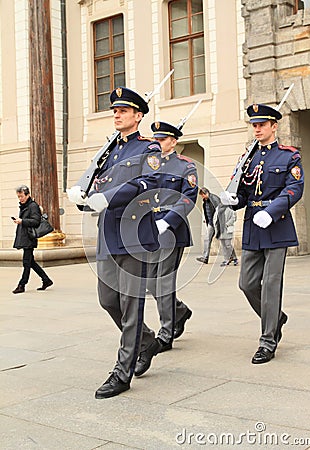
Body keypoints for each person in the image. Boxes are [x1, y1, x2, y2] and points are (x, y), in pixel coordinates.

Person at [67, 87, 163, 399]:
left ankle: (122, 372)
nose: (117, 115)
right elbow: (96, 186)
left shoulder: (149, 150)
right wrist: (83, 197)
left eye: (123, 111)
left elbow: (145, 184)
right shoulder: (109, 152)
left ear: (138, 115)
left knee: (130, 305)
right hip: (109, 236)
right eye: (115, 111)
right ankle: (146, 340)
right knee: (108, 300)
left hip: (135, 235)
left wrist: (106, 198)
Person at [220, 103, 304, 364]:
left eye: (262, 125)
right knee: (246, 283)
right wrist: (233, 200)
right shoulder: (248, 158)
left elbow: (294, 189)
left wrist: (272, 211)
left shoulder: (289, 156)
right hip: (253, 228)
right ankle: (276, 317)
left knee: (270, 285)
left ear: (274, 126)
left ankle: (268, 340)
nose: (257, 129)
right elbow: (243, 194)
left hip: (276, 225)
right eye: (254, 125)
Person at [134, 121, 198, 377]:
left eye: (162, 139)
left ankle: (167, 330)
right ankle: (180, 311)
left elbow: (188, 197)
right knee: (150, 282)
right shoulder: (150, 163)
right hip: (150, 229)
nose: (158, 143)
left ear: (173, 141)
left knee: (164, 282)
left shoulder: (185, 166)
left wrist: (168, 220)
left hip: (172, 230)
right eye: (156, 139)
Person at [12, 185, 53, 293]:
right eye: (19, 197)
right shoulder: (25, 206)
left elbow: (36, 221)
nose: (20, 199)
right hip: (25, 236)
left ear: (28, 195)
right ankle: (46, 280)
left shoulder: (33, 206)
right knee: (31, 262)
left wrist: (22, 221)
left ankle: (22, 285)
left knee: (26, 262)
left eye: (21, 196)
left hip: (30, 237)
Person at [196, 187, 220, 264]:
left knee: (224, 241)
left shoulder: (214, 199)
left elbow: (220, 211)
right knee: (207, 239)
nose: (202, 197)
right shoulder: (205, 201)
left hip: (217, 223)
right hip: (211, 223)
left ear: (206, 193)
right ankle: (205, 257)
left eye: (202, 195)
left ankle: (232, 256)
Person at [213, 202, 238, 266]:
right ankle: (226, 259)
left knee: (228, 245)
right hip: (220, 230)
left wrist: (227, 224)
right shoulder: (218, 208)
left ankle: (234, 258)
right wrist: (215, 224)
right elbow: (215, 217)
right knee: (223, 246)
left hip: (226, 229)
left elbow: (234, 218)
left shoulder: (230, 208)